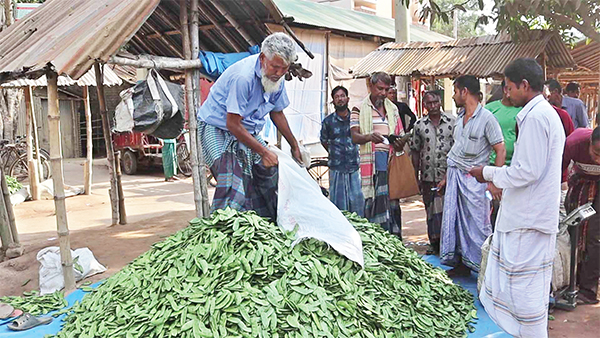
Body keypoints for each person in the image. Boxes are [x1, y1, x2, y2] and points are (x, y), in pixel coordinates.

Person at [470, 58, 566, 338]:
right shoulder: (541, 114)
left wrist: (488, 173)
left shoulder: (537, 117)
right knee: (527, 290)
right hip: (531, 216)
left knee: (526, 295)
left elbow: (527, 172)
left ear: (524, 85)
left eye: (509, 87)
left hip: (529, 219)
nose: (506, 93)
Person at [197, 33, 302, 219]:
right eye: (275, 67)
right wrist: (263, 151)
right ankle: (226, 228)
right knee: (231, 178)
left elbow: (277, 113)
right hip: (216, 126)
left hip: (247, 129)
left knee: (267, 173)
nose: (278, 73)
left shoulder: (279, 79)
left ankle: (263, 222)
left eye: (283, 69)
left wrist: (295, 145)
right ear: (263, 58)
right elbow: (232, 124)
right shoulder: (243, 78)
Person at [439, 75, 506, 276]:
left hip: (475, 181)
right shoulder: (460, 118)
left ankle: (486, 268)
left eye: (455, 91)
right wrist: (445, 178)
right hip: (455, 175)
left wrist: (494, 182)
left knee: (478, 225)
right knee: (456, 221)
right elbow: (456, 149)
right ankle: (462, 263)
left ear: (464, 92)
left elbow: (500, 150)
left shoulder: (487, 118)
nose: (452, 96)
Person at [350, 72, 405, 237]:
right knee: (373, 204)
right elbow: (354, 136)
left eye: (386, 89)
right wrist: (369, 137)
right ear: (371, 86)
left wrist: (400, 141)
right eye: (380, 88)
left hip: (390, 163)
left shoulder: (393, 109)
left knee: (392, 204)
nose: (382, 93)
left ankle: (394, 243)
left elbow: (400, 134)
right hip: (372, 164)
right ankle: (377, 240)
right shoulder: (358, 108)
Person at [411, 91, 455, 254]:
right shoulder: (419, 125)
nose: (433, 106)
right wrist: (415, 176)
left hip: (448, 175)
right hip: (428, 176)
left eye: (435, 102)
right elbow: (415, 151)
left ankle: (448, 245)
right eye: (429, 103)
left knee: (447, 211)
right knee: (430, 211)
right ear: (425, 106)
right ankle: (434, 244)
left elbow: (457, 149)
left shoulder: (452, 123)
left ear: (440, 102)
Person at [562, 126, 600, 305]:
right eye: (597, 152)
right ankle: (571, 280)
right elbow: (559, 167)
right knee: (572, 229)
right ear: (589, 142)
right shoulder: (574, 142)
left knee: (595, 236)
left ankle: (588, 289)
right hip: (579, 183)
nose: (599, 159)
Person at [320, 86, 364, 216]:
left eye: (342, 96)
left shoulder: (356, 119)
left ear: (348, 99)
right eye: (337, 97)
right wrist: (335, 153)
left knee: (357, 201)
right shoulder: (328, 122)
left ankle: (359, 232)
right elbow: (324, 140)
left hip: (354, 166)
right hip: (336, 167)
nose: (340, 99)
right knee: (338, 206)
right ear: (333, 101)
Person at [484, 80, 521, 228]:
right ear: (506, 89)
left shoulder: (524, 110)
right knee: (494, 208)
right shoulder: (490, 109)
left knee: (513, 209)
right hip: (493, 166)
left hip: (516, 168)